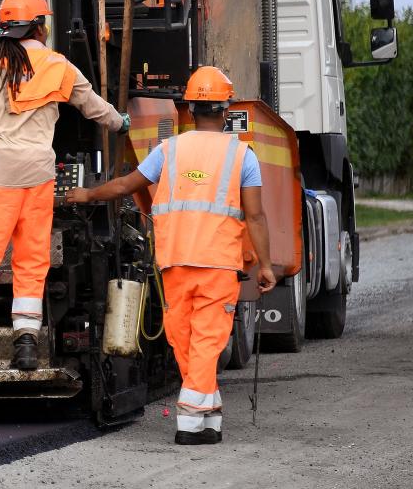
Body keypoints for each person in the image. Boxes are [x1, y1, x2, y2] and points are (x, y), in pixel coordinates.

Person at [65, 65, 277, 446]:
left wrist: (87, 194)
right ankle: (198, 416)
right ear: (226, 109)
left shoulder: (169, 150)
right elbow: (256, 215)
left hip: (175, 261)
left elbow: (127, 185)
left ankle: (199, 419)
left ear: (190, 109)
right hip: (217, 264)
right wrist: (265, 264)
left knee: (191, 340)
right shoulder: (242, 155)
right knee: (201, 341)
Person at [0, 0, 128, 373]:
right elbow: (95, 108)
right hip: (40, 174)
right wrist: (121, 123)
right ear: (41, 26)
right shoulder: (58, 65)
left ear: (6, 27)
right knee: (32, 260)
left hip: (2, 171)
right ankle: (26, 347)